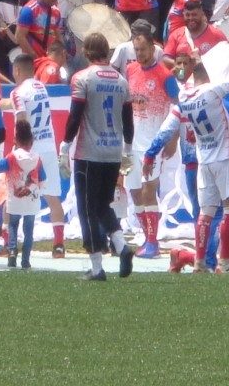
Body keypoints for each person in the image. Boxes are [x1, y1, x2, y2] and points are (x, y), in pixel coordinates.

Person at [145, 63, 229, 274]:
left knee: (204, 215)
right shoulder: (222, 102)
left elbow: (167, 130)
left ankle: (198, 263)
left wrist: (150, 153)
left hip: (197, 163)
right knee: (228, 213)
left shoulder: (185, 100)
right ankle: (223, 264)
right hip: (223, 159)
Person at [60, 32, 135, 281]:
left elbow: (75, 115)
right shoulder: (122, 80)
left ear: (86, 51)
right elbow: (128, 119)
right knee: (103, 205)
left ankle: (96, 267)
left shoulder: (82, 77)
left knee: (87, 209)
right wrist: (128, 149)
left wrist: (65, 144)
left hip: (89, 152)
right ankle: (122, 247)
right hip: (113, 150)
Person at [124, 32, 179, 258]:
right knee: (134, 190)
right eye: (136, 51)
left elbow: (178, 108)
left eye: (143, 50)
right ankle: (146, 237)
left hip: (152, 144)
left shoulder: (165, 76)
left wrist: (172, 139)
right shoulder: (130, 71)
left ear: (153, 49)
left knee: (148, 190)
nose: (139, 55)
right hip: (132, 144)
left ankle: (153, 242)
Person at [10, 53, 67, 257]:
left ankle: (11, 244)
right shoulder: (40, 87)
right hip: (49, 147)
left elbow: (22, 121)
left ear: (16, 71)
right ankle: (59, 244)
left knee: (16, 194)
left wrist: (18, 149)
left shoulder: (17, 92)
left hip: (30, 149)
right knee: (53, 196)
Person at [0, 119, 45, 270]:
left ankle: (12, 252)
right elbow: (42, 179)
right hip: (31, 200)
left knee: (13, 226)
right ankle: (26, 260)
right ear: (32, 141)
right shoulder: (37, 158)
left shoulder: (12, 157)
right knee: (28, 230)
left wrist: (11, 152)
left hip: (14, 199)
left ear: (15, 140)